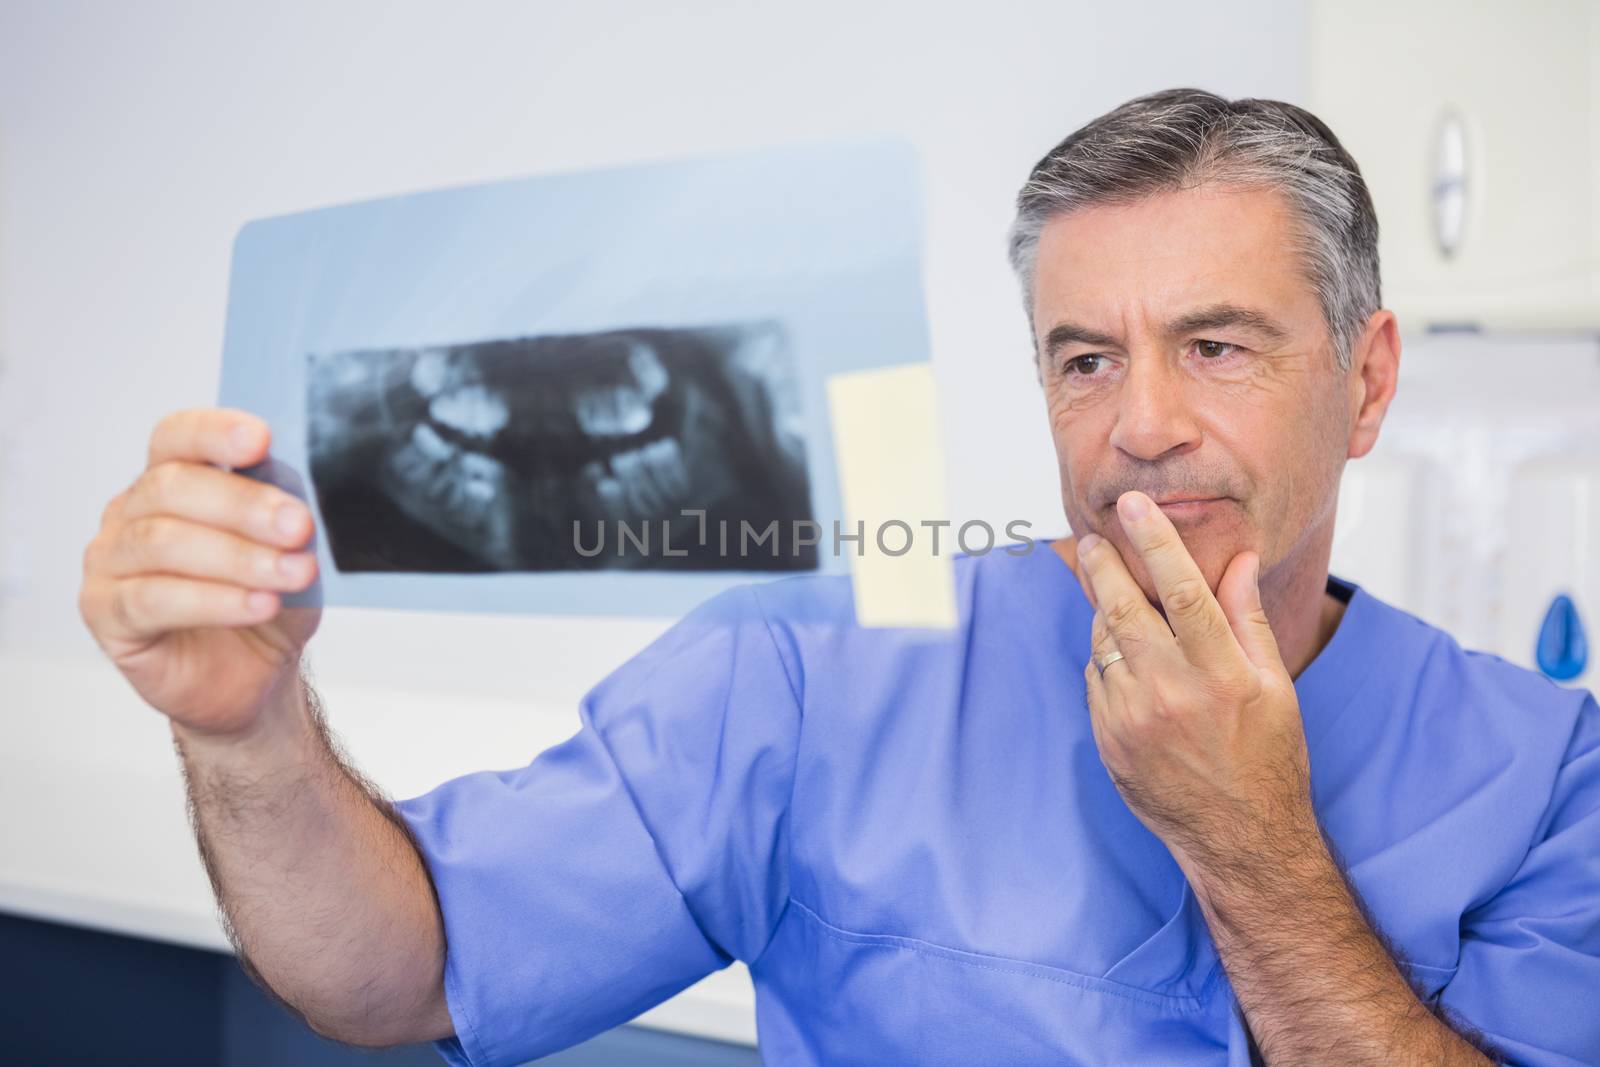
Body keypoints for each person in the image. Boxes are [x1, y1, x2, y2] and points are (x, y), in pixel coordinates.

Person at [78, 88, 1600, 1066]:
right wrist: (246, 736)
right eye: (1085, 360)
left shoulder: (1548, 780)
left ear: (1368, 378)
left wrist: (1258, 850)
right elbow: (396, 975)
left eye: (1217, 346)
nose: (1141, 425)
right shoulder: (826, 668)